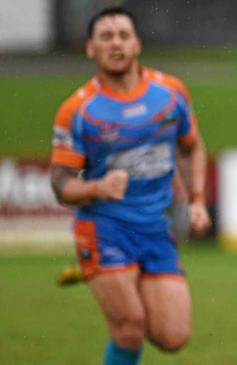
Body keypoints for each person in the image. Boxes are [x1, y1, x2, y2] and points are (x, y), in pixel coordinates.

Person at [49, 6, 210, 365]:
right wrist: (96, 188)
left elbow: (192, 146)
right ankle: (103, 270)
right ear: (90, 49)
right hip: (105, 228)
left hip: (156, 227)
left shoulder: (170, 93)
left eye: (123, 35)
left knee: (173, 337)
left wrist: (197, 199)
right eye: (105, 37)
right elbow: (60, 186)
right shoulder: (78, 110)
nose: (115, 43)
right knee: (129, 327)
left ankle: (108, 275)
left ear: (137, 44)